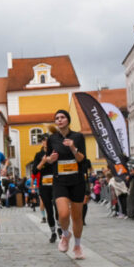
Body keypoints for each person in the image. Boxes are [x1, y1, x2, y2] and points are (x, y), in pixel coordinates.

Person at [44, 109, 87, 259]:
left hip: (77, 181)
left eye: (62, 117)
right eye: (57, 118)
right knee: (63, 214)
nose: (60, 120)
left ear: (68, 120)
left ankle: (77, 246)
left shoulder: (78, 137)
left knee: (77, 217)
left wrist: (73, 148)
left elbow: (82, 159)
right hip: (60, 181)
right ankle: (65, 234)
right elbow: (47, 159)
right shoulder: (52, 139)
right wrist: (51, 159)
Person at [33, 135, 60, 243]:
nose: (46, 142)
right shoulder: (39, 155)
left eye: (48, 140)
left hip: (56, 183)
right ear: (42, 142)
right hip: (44, 185)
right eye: (44, 140)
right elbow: (34, 171)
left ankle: (60, 228)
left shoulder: (55, 152)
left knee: (57, 206)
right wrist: (43, 161)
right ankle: (53, 232)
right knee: (49, 210)